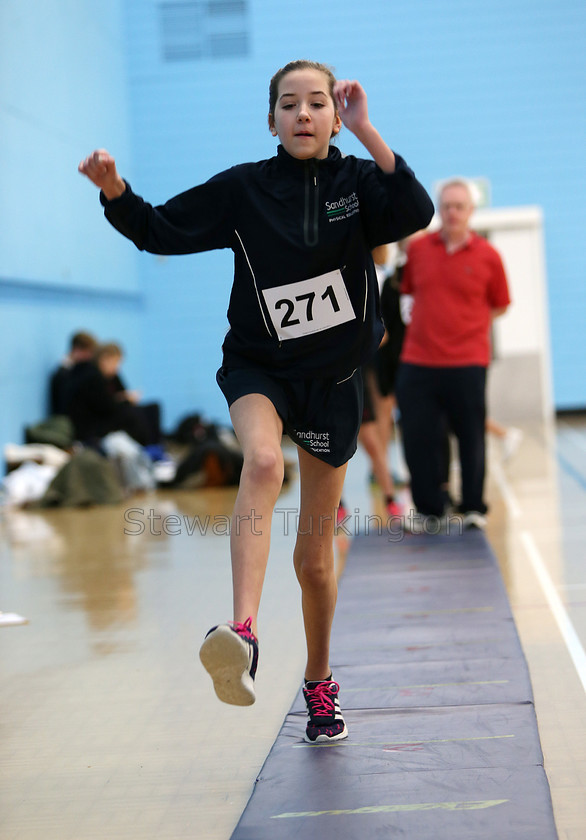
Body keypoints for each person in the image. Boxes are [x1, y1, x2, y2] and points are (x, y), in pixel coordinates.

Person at [78, 59, 434, 742]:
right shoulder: (245, 189)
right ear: (271, 119)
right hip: (259, 367)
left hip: (332, 382)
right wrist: (114, 189)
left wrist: (368, 131)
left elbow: (412, 209)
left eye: (318, 103)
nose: (303, 114)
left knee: (315, 561)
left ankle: (320, 682)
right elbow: (158, 229)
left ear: (335, 116)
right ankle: (243, 633)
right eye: (289, 104)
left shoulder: (359, 184)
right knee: (264, 464)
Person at [395, 178, 511, 530]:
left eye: (460, 206)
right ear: (438, 209)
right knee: (418, 436)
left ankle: (474, 507)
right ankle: (430, 510)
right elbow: (411, 294)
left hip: (467, 361)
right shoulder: (418, 251)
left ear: (471, 212)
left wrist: (468, 326)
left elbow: (500, 305)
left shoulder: (489, 256)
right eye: (446, 206)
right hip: (418, 360)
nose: (452, 213)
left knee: (471, 435)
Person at [68, 342, 159, 447]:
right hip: (93, 424)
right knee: (133, 415)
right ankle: (148, 448)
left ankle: (156, 446)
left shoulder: (112, 376)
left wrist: (124, 398)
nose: (117, 367)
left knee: (152, 408)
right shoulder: (93, 376)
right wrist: (125, 399)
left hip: (108, 414)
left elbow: (122, 393)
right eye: (115, 362)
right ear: (104, 359)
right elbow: (105, 407)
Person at [49, 330, 98, 416]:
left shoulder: (81, 369)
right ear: (77, 350)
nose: (89, 357)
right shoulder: (62, 374)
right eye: (88, 353)